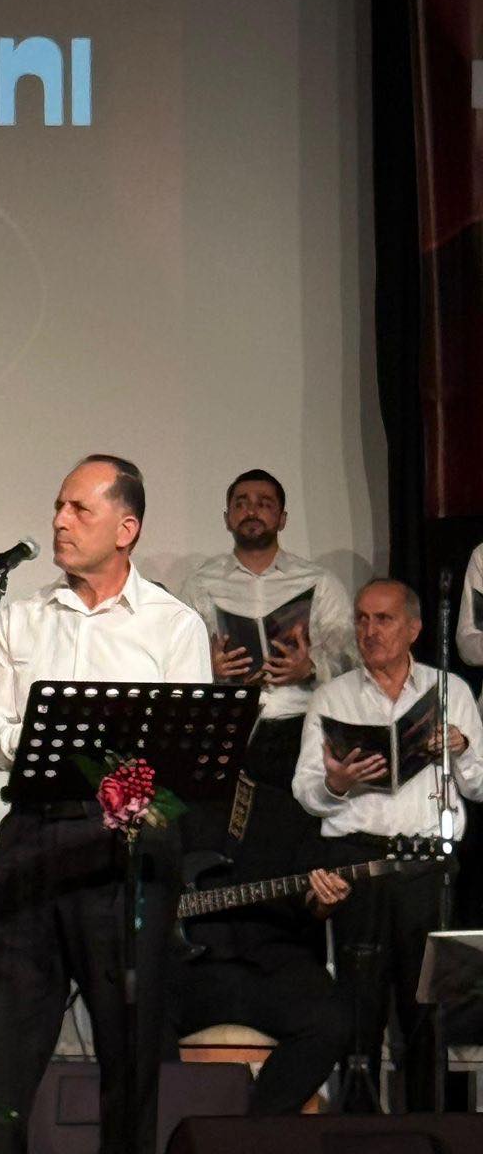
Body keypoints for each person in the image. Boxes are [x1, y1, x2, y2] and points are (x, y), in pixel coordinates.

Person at [0, 455, 211, 1154]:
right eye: (58, 507)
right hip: (34, 836)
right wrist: (52, 742)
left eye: (78, 509)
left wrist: (119, 769)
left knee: (129, 1049)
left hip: (128, 844)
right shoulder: (23, 617)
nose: (60, 522)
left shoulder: (172, 626)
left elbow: (188, 751)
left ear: (125, 527)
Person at [293, 577, 483, 1111]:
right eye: (361, 618)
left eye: (383, 619)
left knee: (429, 1009)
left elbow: (479, 785)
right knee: (360, 1004)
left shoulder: (449, 691)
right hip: (357, 863)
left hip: (428, 866)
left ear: (414, 628)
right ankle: (357, 1130)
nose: (369, 630)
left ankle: (428, 1128)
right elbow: (306, 792)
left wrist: (462, 748)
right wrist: (337, 784)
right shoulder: (333, 696)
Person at [181, 470, 354, 844]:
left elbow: (353, 661)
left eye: (264, 504)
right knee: (229, 842)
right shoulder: (200, 584)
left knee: (296, 840)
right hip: (231, 727)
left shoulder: (318, 581)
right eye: (241, 503)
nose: (251, 511)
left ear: (282, 518)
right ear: (227, 517)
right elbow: (178, 661)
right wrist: (209, 668)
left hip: (299, 725)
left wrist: (311, 667)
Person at [165, 817, 354, 1115]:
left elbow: (309, 902)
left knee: (331, 1019)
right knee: (139, 1011)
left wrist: (321, 902)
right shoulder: (159, 804)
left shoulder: (282, 808)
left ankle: (256, 1124)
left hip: (268, 965)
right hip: (186, 973)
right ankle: (174, 1126)